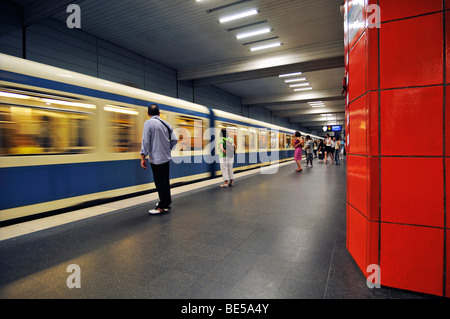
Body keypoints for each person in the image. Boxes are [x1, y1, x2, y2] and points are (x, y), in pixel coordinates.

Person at [140, 104, 178, 215]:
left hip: (156, 158)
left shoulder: (148, 123)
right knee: (165, 180)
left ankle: (162, 207)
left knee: (159, 182)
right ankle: (166, 202)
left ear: (148, 114)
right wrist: (168, 148)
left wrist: (143, 156)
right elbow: (174, 139)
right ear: (159, 113)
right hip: (165, 157)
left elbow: (146, 141)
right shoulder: (165, 123)